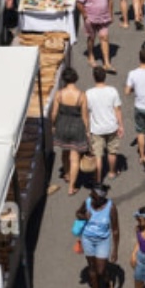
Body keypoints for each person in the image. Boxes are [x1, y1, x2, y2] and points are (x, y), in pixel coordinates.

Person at [77, 185, 120, 288]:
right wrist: (84, 216)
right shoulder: (87, 202)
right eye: (91, 195)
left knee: (100, 270)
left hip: (102, 240)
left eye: (93, 197)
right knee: (92, 268)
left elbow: (115, 230)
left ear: (101, 198)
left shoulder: (111, 208)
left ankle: (108, 285)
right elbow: (78, 213)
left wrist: (115, 251)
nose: (91, 198)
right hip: (87, 239)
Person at [51, 67, 89, 196]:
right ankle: (72, 187)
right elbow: (84, 116)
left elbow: (54, 113)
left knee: (64, 151)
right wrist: (88, 131)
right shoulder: (81, 95)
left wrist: (53, 125)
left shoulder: (59, 94)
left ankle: (67, 174)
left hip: (62, 125)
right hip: (77, 127)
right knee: (75, 158)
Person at [85, 66, 124, 183]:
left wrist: (87, 129)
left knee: (98, 155)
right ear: (105, 76)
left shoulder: (89, 93)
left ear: (93, 77)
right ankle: (112, 172)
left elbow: (86, 113)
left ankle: (97, 178)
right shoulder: (112, 91)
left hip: (96, 128)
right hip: (111, 126)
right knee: (112, 151)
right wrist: (121, 125)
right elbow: (117, 110)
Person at [77, 0, 115, 70]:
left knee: (104, 37)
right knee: (91, 38)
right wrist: (85, 15)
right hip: (91, 17)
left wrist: (110, 14)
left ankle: (107, 63)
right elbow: (79, 3)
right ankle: (90, 55)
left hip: (104, 17)